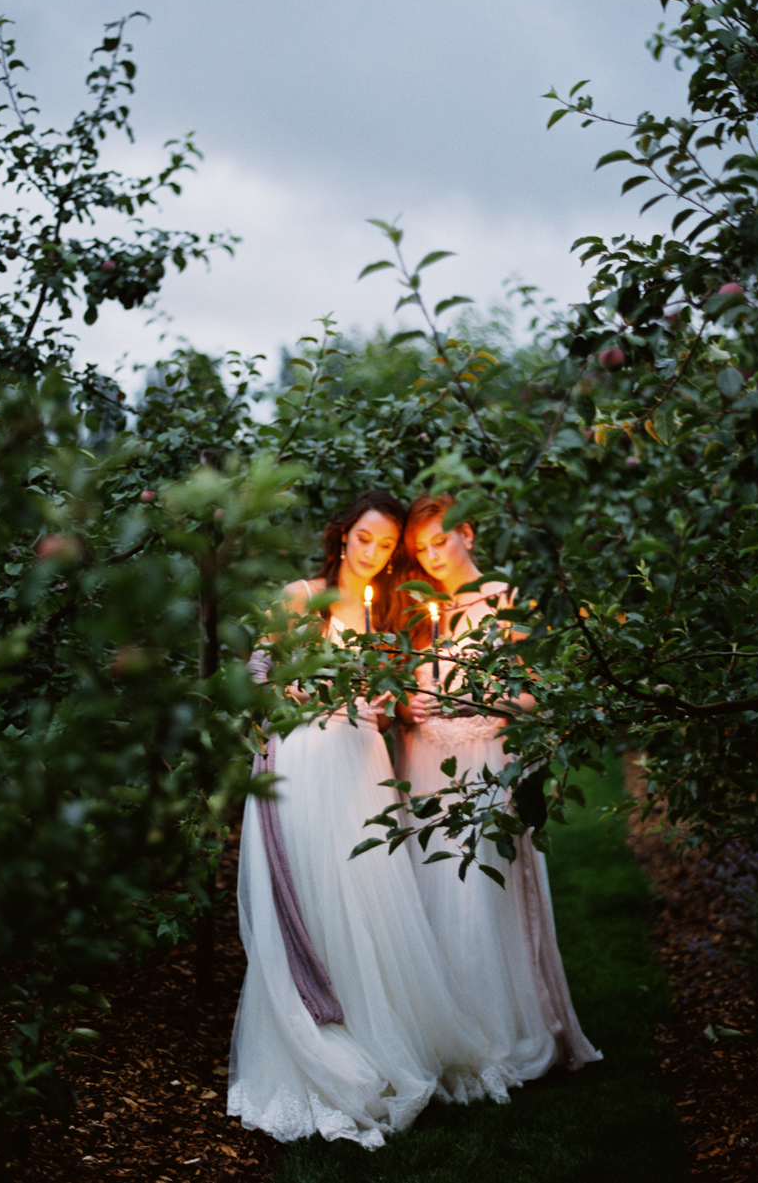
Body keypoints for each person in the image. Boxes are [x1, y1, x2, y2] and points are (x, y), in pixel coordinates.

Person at [227, 491, 510, 1149]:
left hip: (360, 759)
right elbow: (259, 672)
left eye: (386, 545)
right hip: (304, 759)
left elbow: (385, 691)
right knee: (318, 894)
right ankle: (319, 1041)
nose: (374, 554)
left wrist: (379, 702)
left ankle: (378, 1033)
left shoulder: (384, 610)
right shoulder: (302, 594)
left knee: (369, 896)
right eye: (365, 539)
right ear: (342, 536)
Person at [395, 492, 602, 1079]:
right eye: (422, 548)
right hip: (424, 765)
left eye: (441, 539)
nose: (433, 555)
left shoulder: (506, 602)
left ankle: (495, 1033)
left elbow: (544, 694)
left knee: (477, 896)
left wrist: (481, 699)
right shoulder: (420, 609)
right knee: (430, 891)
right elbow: (406, 690)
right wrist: (412, 707)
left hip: (485, 762)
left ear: (468, 534)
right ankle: (439, 1032)